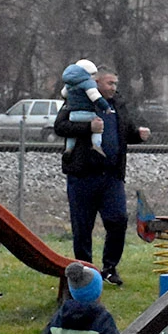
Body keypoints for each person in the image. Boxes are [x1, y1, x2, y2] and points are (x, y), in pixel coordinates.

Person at [54, 65, 150, 286]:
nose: (114, 88)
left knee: (118, 220)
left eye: (115, 84)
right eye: (110, 83)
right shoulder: (78, 100)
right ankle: (85, 273)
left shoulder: (117, 104)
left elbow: (123, 131)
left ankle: (109, 268)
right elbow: (60, 127)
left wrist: (138, 134)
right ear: (95, 83)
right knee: (82, 228)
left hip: (111, 177)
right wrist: (88, 127)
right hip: (82, 176)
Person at [61, 59, 113, 157]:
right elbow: (95, 97)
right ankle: (96, 145)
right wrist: (106, 107)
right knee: (98, 126)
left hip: (73, 114)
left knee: (72, 135)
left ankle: (69, 148)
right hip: (87, 112)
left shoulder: (69, 84)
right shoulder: (88, 83)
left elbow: (63, 94)